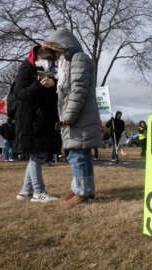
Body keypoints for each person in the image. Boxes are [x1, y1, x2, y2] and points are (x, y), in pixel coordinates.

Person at [42, 29, 102, 207]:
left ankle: (82, 192)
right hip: (78, 116)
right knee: (81, 155)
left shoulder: (78, 59)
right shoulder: (69, 62)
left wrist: (67, 115)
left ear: (64, 45)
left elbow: (78, 89)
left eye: (57, 50)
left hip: (79, 117)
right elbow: (70, 88)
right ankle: (82, 190)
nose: (56, 54)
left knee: (77, 155)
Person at [13, 45, 60, 202]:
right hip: (30, 120)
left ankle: (25, 191)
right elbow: (19, 93)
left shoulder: (43, 70)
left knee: (36, 155)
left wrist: (52, 84)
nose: (51, 63)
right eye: (49, 60)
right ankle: (38, 192)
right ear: (40, 58)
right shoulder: (26, 68)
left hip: (41, 119)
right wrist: (38, 85)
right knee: (36, 154)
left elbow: (49, 94)